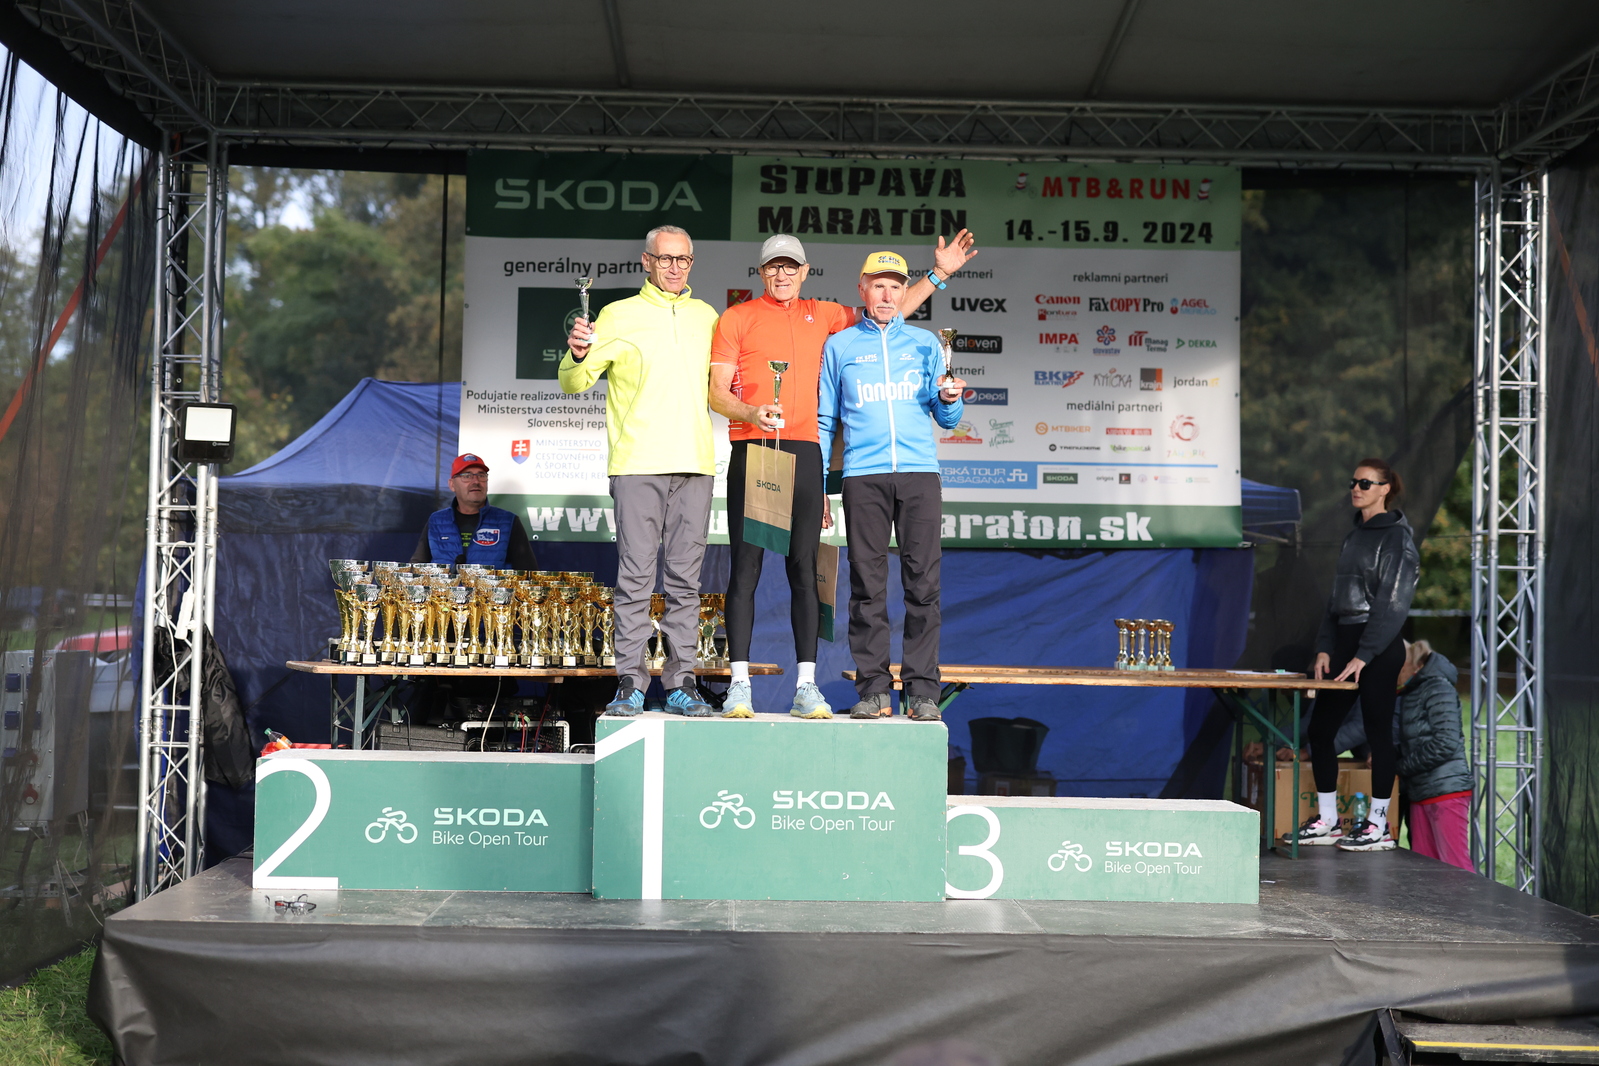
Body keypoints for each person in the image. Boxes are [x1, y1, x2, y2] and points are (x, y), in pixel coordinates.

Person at [709, 230, 978, 720]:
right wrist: (755, 416)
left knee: (856, 578)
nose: (783, 274)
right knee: (773, 574)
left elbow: (895, 317)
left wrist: (939, 276)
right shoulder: (759, 322)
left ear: (805, 272)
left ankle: (865, 689)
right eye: (774, 266)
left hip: (866, 463)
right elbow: (732, 396)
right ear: (762, 271)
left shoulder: (872, 330)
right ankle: (764, 686)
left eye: (791, 266)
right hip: (787, 455)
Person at [562, 225, 719, 718]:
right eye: (665, 258)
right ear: (646, 262)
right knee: (635, 580)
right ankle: (630, 682)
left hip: (695, 464)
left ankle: (681, 683)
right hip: (637, 465)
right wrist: (577, 353)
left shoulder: (707, 316)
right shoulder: (617, 314)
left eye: (683, 259)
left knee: (685, 584)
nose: (675, 267)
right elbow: (573, 382)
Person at [817, 251, 966, 722]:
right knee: (867, 587)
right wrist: (820, 484)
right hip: (863, 477)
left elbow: (946, 418)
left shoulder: (926, 344)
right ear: (862, 289)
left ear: (905, 293)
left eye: (896, 286)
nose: (887, 294)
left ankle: (922, 691)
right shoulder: (839, 346)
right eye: (878, 285)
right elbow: (824, 420)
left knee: (924, 586)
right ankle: (874, 690)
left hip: (920, 475)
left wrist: (951, 400)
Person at [1288, 457, 1420, 851]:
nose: (1356, 489)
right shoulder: (1353, 536)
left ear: (1385, 489)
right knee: (1320, 731)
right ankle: (1328, 819)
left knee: (1378, 733)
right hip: (1346, 643)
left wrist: (1365, 654)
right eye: (1353, 482)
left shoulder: (1397, 537)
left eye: (1365, 483)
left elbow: (1393, 603)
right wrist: (1324, 648)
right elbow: (1336, 600)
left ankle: (1378, 825)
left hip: (1377, 645)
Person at [1395, 639, 1471, 870]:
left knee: (1455, 869)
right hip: (1421, 791)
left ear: (1409, 665)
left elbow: (1445, 743)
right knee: (1426, 870)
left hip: (1445, 792)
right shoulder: (1412, 691)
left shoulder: (1438, 687)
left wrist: (1400, 767)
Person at [411, 453, 538, 569]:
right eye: (467, 476)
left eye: (481, 476)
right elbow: (417, 568)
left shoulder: (508, 521)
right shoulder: (436, 521)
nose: (476, 481)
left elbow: (528, 573)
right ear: (452, 485)